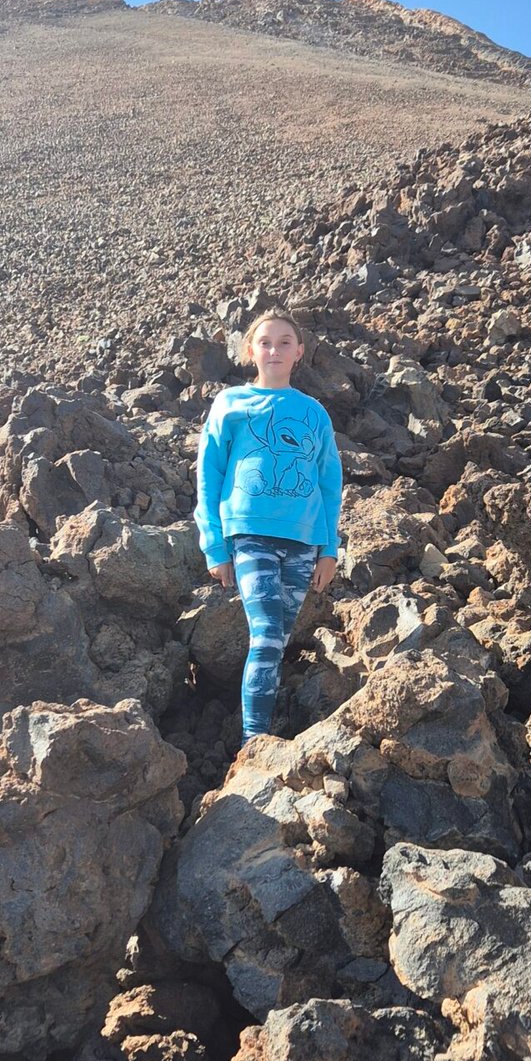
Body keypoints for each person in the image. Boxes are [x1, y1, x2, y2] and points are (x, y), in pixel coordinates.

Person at [195, 309, 342, 742]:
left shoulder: (314, 413)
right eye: (264, 342)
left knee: (276, 642)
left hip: (303, 542)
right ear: (250, 351)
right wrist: (214, 546)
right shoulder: (231, 404)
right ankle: (252, 740)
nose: (274, 350)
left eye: (284, 342)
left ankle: (259, 738)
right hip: (249, 535)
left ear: (299, 352)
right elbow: (208, 474)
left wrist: (329, 549)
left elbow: (329, 484)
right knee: (266, 636)